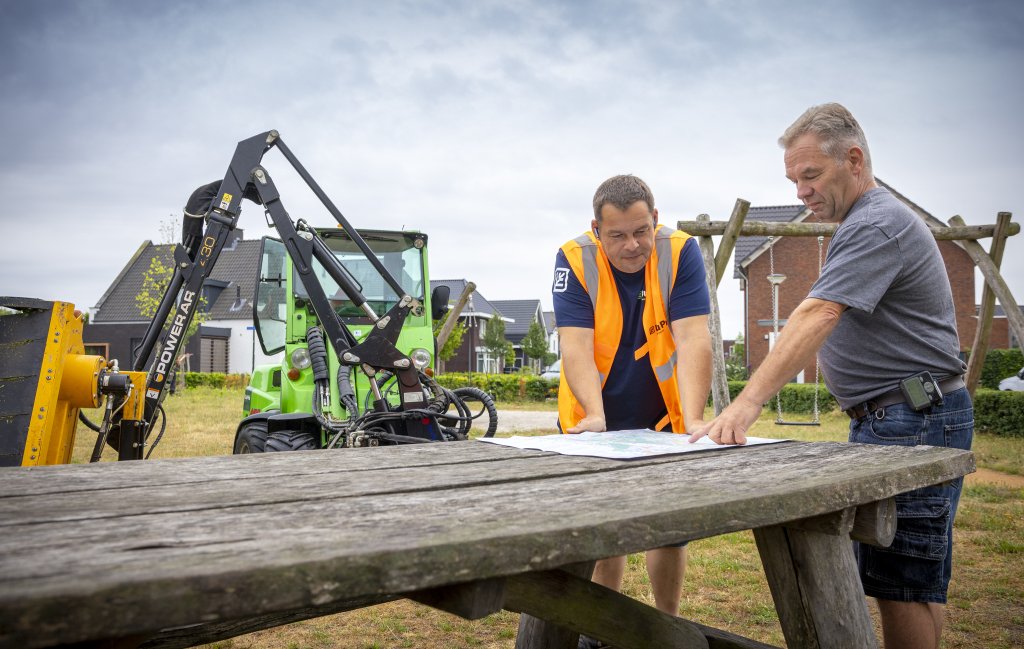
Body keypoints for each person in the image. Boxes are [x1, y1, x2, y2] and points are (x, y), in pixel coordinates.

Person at [691, 103, 972, 649]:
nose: (802, 192)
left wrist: (745, 404)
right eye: (794, 181)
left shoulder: (875, 223)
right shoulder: (867, 222)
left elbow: (819, 312)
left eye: (811, 175)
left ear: (854, 160)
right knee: (917, 580)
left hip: (911, 418)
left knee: (901, 584)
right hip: (911, 412)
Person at [552, 174, 712, 630]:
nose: (632, 245)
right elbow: (576, 346)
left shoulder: (680, 251)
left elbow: (693, 338)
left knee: (670, 531)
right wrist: (595, 414)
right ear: (596, 230)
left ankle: (667, 627)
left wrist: (694, 418)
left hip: (665, 414)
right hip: (595, 415)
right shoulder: (574, 258)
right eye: (617, 235)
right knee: (603, 532)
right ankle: (600, 630)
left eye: (642, 231)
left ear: (655, 219)